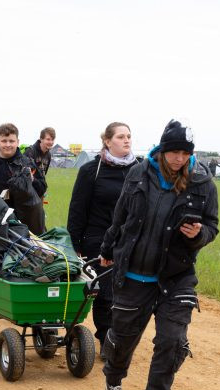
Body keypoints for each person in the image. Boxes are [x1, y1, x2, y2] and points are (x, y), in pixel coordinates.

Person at [99, 119, 218, 390]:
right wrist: (108, 248)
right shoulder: (139, 174)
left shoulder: (203, 182)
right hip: (136, 273)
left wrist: (200, 233)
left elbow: (212, 226)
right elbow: (121, 215)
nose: (179, 159)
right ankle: (113, 379)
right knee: (123, 339)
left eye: (185, 153)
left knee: (172, 341)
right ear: (163, 150)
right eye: (174, 152)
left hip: (176, 276)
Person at [67, 122, 138, 356]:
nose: (126, 140)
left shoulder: (140, 170)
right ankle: (107, 340)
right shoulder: (91, 170)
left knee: (128, 294)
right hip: (97, 240)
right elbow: (78, 208)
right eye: (120, 136)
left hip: (131, 242)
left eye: (129, 136)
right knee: (105, 295)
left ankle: (120, 338)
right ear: (107, 141)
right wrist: (74, 243)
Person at [0, 123, 47, 235]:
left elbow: (42, 188)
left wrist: (32, 180)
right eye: (4, 141)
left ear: (17, 142)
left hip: (18, 225)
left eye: (11, 141)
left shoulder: (27, 163)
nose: (8, 144)